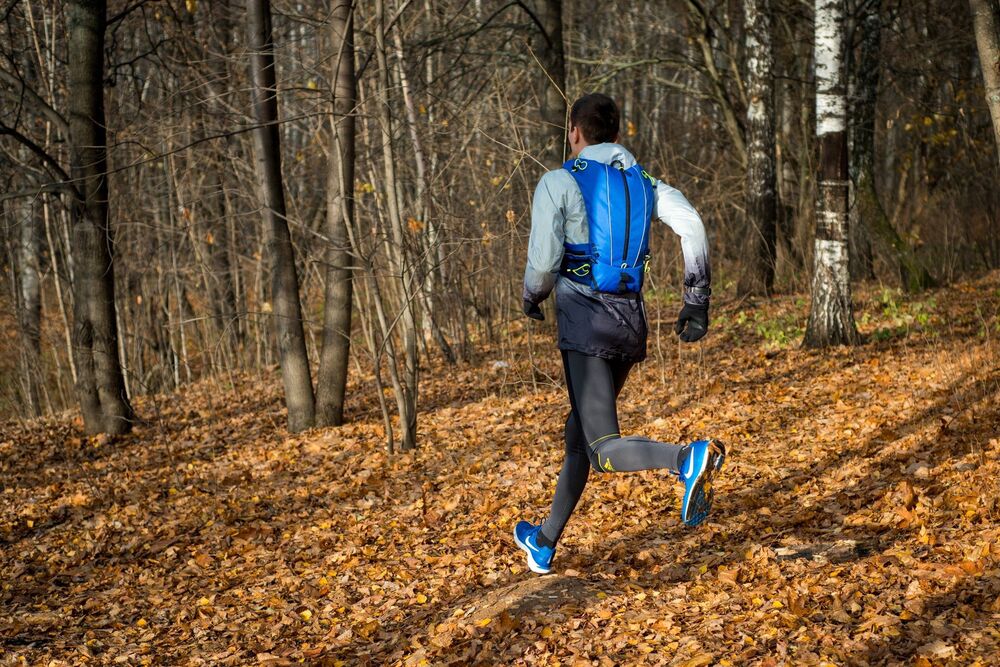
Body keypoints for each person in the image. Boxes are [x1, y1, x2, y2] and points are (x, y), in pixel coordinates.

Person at [513, 93, 726, 575]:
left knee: (603, 447)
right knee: (579, 436)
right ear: (615, 133)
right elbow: (691, 225)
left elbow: (544, 264)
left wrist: (532, 296)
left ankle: (685, 459)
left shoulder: (559, 181)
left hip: (584, 325)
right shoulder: (644, 183)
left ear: (574, 131)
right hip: (628, 325)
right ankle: (544, 541)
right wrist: (696, 299)